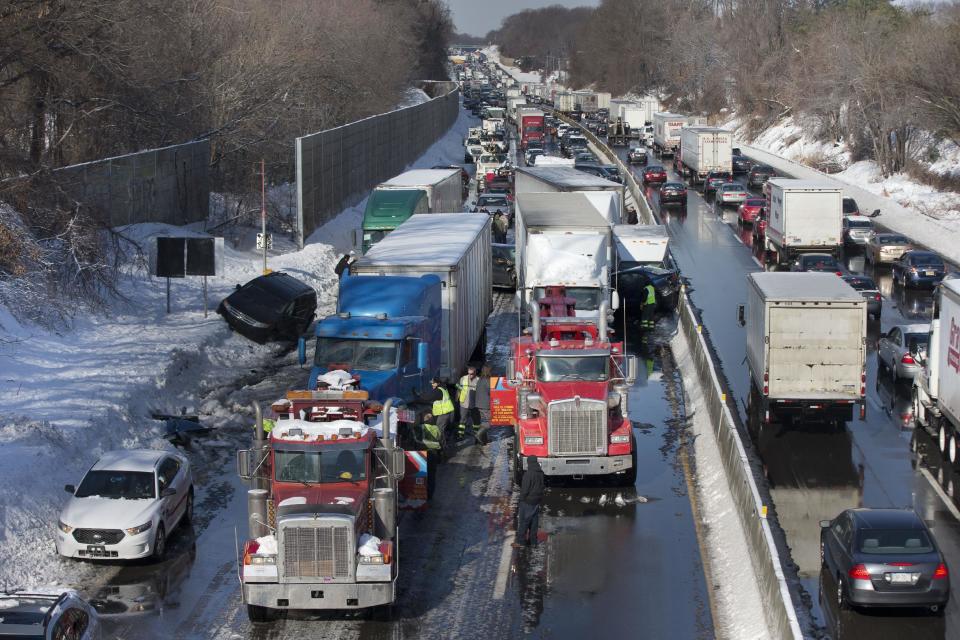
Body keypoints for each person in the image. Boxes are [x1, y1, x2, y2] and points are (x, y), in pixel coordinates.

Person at [514, 455, 544, 548]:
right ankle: (533, 542)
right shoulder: (540, 473)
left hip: (528, 501)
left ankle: (520, 541)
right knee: (534, 522)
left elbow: (525, 489)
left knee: (524, 521)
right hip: (536, 500)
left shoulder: (528, 474)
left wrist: (521, 499)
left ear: (529, 463)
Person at [424, 377, 455, 451]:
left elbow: (428, 397)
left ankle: (442, 448)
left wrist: (418, 396)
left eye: (433, 383)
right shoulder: (442, 388)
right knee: (440, 429)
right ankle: (442, 446)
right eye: (431, 383)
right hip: (445, 412)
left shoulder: (438, 391)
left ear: (437, 383)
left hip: (444, 413)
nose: (432, 384)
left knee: (440, 430)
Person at [457, 366, 479, 439]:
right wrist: (456, 398)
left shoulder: (478, 380)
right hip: (464, 403)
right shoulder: (463, 379)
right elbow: (459, 389)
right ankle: (460, 435)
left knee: (476, 421)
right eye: (469, 374)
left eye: (472, 374)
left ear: (475, 373)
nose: (470, 375)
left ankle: (477, 435)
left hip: (474, 404)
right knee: (462, 420)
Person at [473, 364, 492, 444]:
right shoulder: (487, 380)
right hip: (485, 405)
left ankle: (483, 440)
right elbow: (490, 391)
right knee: (488, 423)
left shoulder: (480, 379)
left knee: (483, 422)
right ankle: (478, 435)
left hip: (479, 404)